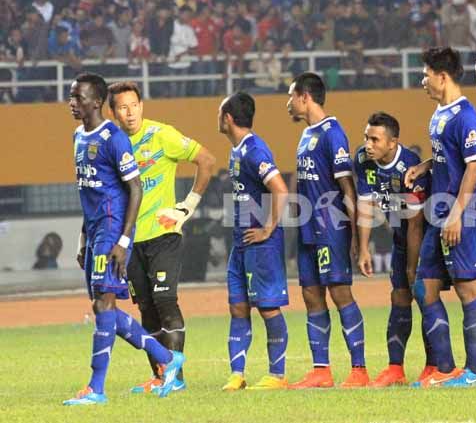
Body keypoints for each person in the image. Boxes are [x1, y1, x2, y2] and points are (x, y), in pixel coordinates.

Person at [64, 72, 184, 405]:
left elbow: (135, 188)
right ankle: (168, 358)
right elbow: (88, 192)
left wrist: (124, 240)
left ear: (96, 101)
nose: (72, 103)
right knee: (103, 308)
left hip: (113, 230)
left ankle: (96, 387)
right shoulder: (78, 136)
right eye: (71, 96)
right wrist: (82, 238)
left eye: (78, 97)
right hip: (95, 233)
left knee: (104, 304)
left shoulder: (114, 138)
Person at [108, 81, 215, 395]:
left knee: (165, 301)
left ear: (142, 105)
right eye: (122, 108)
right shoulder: (112, 145)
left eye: (134, 105)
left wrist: (186, 207)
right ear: (113, 113)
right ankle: (159, 376)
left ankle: (176, 377)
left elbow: (206, 161)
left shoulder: (162, 135)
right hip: (129, 241)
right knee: (147, 310)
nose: (130, 113)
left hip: (164, 235)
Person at [404, 47, 476, 387]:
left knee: (469, 290)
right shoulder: (439, 115)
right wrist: (423, 167)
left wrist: (456, 213)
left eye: (425, 74)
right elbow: (447, 159)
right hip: (439, 214)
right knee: (424, 288)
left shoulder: (466, 116)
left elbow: (475, 165)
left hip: (461, 215)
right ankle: (447, 368)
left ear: (442, 76)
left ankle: (474, 373)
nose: (422, 80)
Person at [286, 72, 368, 388]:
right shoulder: (307, 135)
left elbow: (348, 186)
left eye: (291, 96)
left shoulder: (333, 132)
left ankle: (358, 370)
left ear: (305, 97)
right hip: (307, 227)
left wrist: (360, 241)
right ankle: (321, 370)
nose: (287, 103)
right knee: (310, 294)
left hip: (330, 226)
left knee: (339, 292)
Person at [217, 92, 291, 391]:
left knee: (268, 308)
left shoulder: (254, 150)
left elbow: (281, 189)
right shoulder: (237, 150)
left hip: (261, 244)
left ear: (228, 118)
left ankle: (277, 375)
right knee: (238, 306)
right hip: (242, 242)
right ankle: (237, 374)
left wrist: (268, 228)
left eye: (219, 113)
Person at [354, 111, 430, 387]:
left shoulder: (409, 165)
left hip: (427, 234)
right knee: (399, 297)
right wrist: (363, 248)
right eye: (366, 137)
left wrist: (413, 266)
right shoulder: (363, 159)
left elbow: (416, 224)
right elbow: (365, 204)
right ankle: (395, 368)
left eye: (375, 139)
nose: (368, 144)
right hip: (400, 233)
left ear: (392, 142)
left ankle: (434, 366)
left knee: (424, 296)